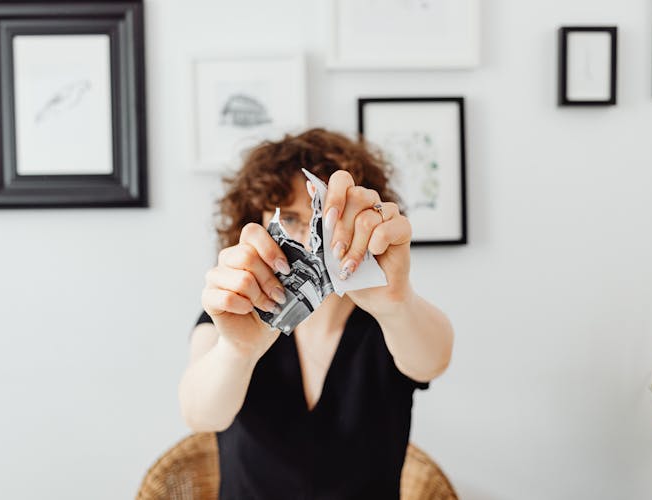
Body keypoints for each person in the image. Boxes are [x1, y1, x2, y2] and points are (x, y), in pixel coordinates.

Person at [178, 128, 454, 499]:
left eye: (321, 220)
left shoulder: (384, 320)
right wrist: (239, 351)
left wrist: (396, 302)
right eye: (289, 219)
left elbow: (433, 360)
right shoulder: (238, 314)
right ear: (256, 223)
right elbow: (201, 415)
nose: (309, 242)